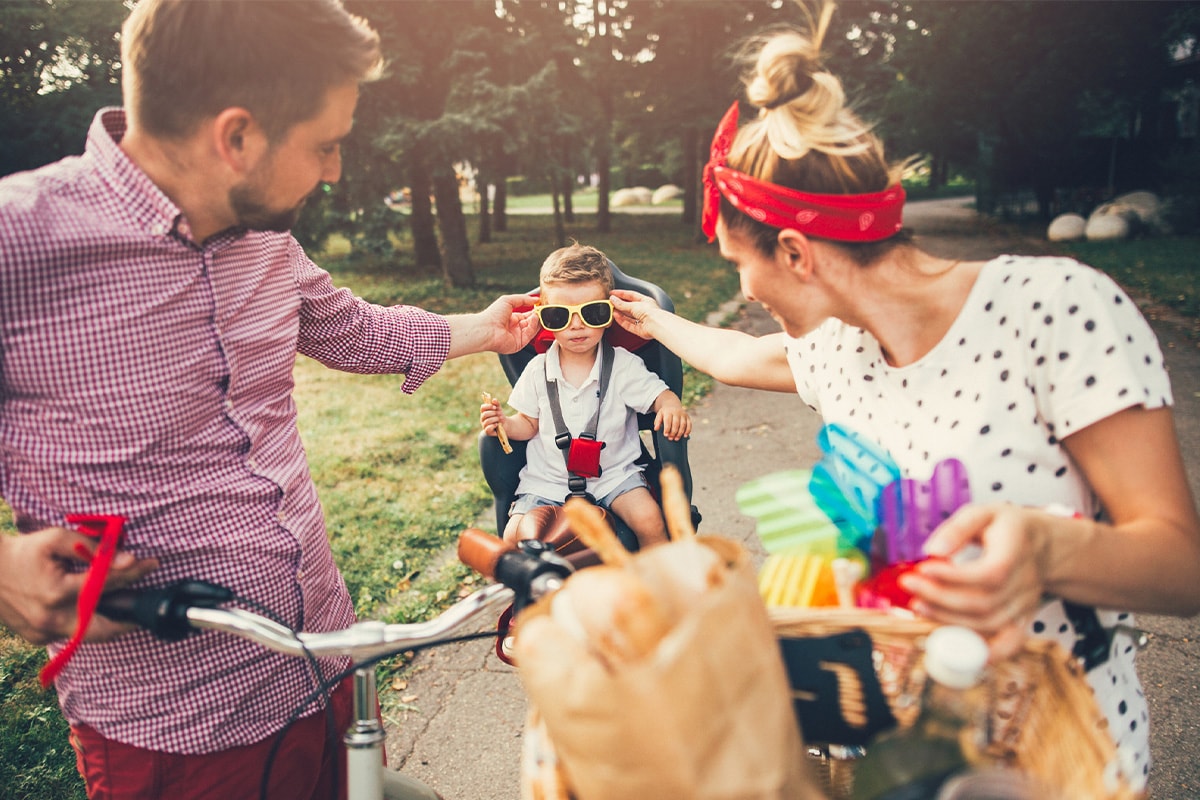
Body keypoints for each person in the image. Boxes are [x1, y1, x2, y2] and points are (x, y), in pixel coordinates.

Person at [609, 6, 1200, 791]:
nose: (739, 287)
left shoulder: (1055, 307)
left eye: (735, 264)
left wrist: (1046, 550)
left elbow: (1181, 568)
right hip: (893, 763)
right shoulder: (834, 347)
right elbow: (739, 354)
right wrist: (648, 316)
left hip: (1058, 764)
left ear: (794, 251)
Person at [0, 1, 539, 798]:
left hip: (326, 661)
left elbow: (354, 331)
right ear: (237, 137)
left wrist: (485, 331)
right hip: (179, 728)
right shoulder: (20, 242)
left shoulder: (266, 236)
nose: (335, 171)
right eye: (325, 145)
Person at [480, 244, 692, 550]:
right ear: (542, 317)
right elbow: (526, 424)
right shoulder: (538, 369)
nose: (576, 325)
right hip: (547, 481)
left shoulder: (623, 365)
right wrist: (503, 423)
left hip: (614, 477)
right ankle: (527, 594)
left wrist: (670, 404)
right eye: (559, 316)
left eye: (592, 313)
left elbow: (660, 395)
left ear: (609, 314)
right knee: (513, 537)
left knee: (650, 522)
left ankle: (658, 583)